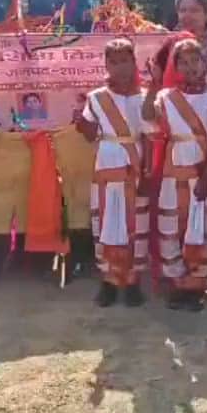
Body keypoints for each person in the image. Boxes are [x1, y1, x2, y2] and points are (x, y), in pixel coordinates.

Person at [143, 38, 207, 312]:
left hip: (201, 174)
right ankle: (179, 283)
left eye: (195, 61)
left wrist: (206, 178)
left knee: (201, 229)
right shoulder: (166, 97)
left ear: (205, 63)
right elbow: (147, 118)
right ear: (175, 67)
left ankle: (197, 285)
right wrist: (152, 86)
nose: (191, 67)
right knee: (171, 228)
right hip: (172, 172)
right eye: (183, 62)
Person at [77, 38, 151, 307]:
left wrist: (149, 172)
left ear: (134, 63)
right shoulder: (96, 98)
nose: (120, 67)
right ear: (106, 65)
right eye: (114, 62)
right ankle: (108, 281)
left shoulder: (144, 97)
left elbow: (151, 137)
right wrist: (81, 122)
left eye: (125, 61)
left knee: (136, 224)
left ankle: (132, 282)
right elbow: (88, 134)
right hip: (107, 163)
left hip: (135, 163)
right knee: (106, 222)